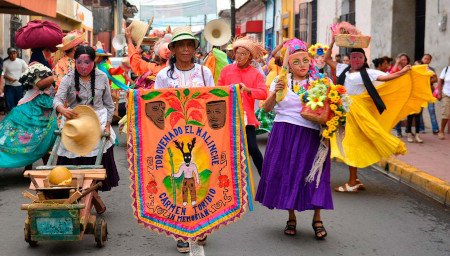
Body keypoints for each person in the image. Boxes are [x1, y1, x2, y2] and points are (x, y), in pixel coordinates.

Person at [256, 38, 331, 240]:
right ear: (289, 63)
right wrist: (275, 92)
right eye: (296, 62)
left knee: (314, 176)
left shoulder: (321, 82)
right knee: (289, 174)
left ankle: (317, 218)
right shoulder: (280, 81)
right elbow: (266, 108)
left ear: (310, 62)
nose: (301, 65)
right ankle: (291, 217)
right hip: (284, 133)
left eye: (305, 61)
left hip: (311, 134)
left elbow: (333, 108)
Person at [325, 33, 420, 192]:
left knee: (351, 145)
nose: (355, 61)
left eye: (359, 58)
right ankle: (355, 180)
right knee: (350, 143)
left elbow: (387, 78)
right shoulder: (343, 69)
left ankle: (352, 183)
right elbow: (327, 59)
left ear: (364, 60)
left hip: (357, 113)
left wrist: (403, 71)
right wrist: (333, 41)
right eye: (353, 58)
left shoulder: (369, 73)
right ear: (349, 59)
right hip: (343, 111)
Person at [154, 26, 214, 253]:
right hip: (173, 137)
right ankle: (181, 231)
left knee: (200, 181)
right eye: (181, 45)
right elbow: (156, 105)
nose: (186, 49)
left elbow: (213, 100)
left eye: (190, 45)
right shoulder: (163, 76)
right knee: (179, 182)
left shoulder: (204, 72)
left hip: (202, 136)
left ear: (195, 49)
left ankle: (200, 225)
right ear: (174, 49)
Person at [53, 45, 119, 194]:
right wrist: (62, 109)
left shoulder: (102, 77)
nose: (83, 66)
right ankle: (80, 192)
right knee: (72, 163)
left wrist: (108, 125)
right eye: (79, 62)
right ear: (74, 61)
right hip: (75, 122)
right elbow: (57, 100)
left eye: (87, 62)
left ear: (94, 62)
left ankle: (90, 193)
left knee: (96, 161)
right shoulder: (68, 78)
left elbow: (109, 105)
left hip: (99, 122)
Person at [217, 37, 268, 176]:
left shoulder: (256, 74)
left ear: (250, 56)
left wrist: (248, 90)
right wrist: (227, 90)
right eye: (237, 53)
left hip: (247, 118)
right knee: (226, 150)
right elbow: (218, 91)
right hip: (228, 116)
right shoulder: (226, 70)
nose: (238, 57)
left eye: (243, 54)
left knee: (252, 148)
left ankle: (265, 180)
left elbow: (264, 93)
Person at [0, 62, 57, 168]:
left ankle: (43, 167)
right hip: (34, 107)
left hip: (42, 107)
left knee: (44, 137)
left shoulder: (43, 96)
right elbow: (40, 84)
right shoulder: (43, 75)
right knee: (33, 138)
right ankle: (34, 166)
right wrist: (55, 75)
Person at [2, 47, 28, 112]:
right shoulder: (5, 63)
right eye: (11, 54)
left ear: (17, 53)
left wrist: (22, 78)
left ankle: (18, 119)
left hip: (19, 86)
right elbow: (2, 74)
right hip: (9, 87)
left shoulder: (21, 62)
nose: (13, 55)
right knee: (10, 104)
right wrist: (10, 78)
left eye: (14, 53)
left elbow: (27, 71)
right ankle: (10, 119)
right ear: (8, 54)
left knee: (19, 104)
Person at [419, 54, 439, 134]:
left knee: (432, 111)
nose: (426, 60)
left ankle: (435, 129)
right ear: (422, 58)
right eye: (425, 58)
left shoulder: (431, 69)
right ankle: (421, 128)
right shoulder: (418, 67)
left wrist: (427, 81)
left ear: (430, 61)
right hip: (420, 92)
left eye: (428, 59)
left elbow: (435, 79)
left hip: (430, 92)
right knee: (419, 111)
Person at [436, 65, 450, 139]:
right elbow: (440, 80)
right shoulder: (446, 69)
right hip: (446, 94)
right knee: (446, 113)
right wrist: (439, 93)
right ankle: (441, 131)